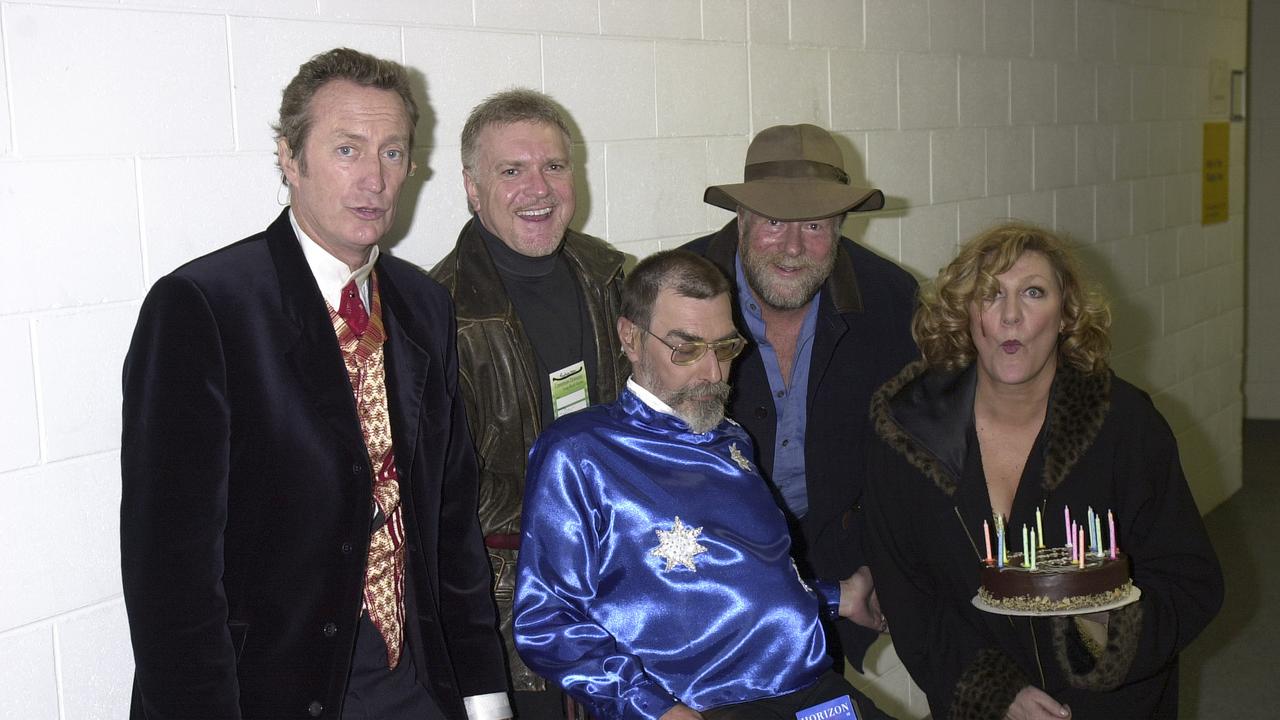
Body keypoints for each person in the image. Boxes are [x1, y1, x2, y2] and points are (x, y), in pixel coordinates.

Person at [120, 48, 510, 720]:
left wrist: (484, 696)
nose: (375, 180)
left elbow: (450, 525)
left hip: (412, 680)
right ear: (289, 159)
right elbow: (169, 574)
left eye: (392, 153)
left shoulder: (423, 306)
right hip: (265, 691)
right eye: (347, 150)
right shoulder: (204, 307)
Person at [863, 222, 1223, 719]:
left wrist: (1105, 630)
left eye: (1033, 293)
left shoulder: (1125, 426)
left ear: (1066, 315)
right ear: (966, 314)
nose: (1011, 316)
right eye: (991, 295)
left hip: (1114, 704)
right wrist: (996, 694)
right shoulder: (908, 434)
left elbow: (1191, 579)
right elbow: (911, 601)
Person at [513, 250, 888, 720]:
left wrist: (836, 597)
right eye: (687, 348)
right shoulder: (579, 452)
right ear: (630, 337)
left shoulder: (729, 437)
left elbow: (728, 582)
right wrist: (653, 708)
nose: (713, 373)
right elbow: (546, 620)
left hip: (812, 691)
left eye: (726, 348)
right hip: (698, 706)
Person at [683, 123, 918, 669]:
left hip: (844, 577)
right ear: (740, 219)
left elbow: (912, 462)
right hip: (706, 585)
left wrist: (879, 568)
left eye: (813, 225)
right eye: (772, 222)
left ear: (839, 226)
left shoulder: (892, 302)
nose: (791, 248)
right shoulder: (678, 298)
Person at [431, 88, 628, 718]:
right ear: (471, 185)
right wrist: (583, 502)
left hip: (629, 597)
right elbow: (441, 488)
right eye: (511, 171)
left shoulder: (618, 279)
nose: (538, 189)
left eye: (554, 167)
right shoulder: (436, 314)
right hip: (515, 620)